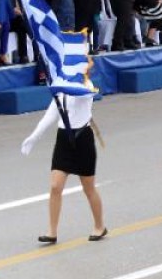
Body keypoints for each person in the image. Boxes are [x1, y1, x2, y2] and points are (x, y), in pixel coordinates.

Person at [20, 92, 108, 243]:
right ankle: (52, 232)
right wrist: (33, 137)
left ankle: (100, 226)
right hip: (64, 140)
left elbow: (87, 95)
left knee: (88, 188)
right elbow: (49, 116)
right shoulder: (60, 91)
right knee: (55, 186)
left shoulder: (85, 87)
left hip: (83, 139)